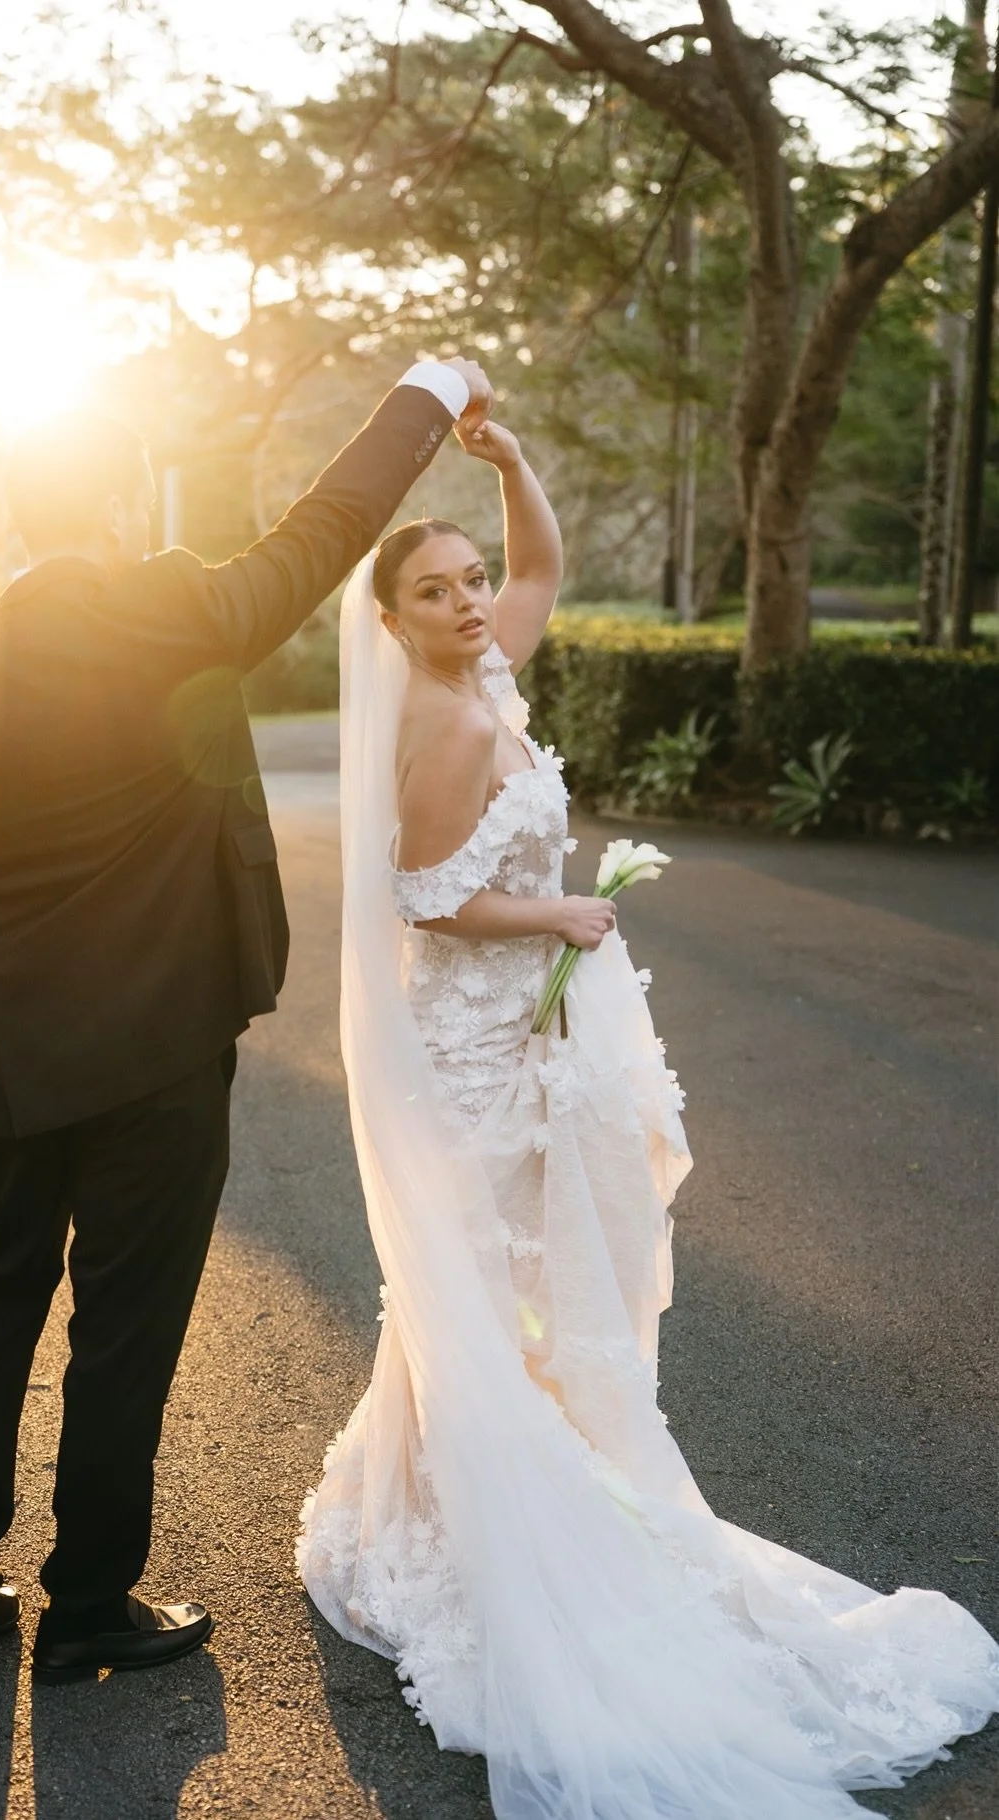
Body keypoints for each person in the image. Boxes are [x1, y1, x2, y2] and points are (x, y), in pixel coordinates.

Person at [297, 416, 999, 1817]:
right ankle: (479, 1529)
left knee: (515, 1289)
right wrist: (558, 909)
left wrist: (505, 464)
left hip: (524, 1029)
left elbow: (544, 563)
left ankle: (469, 1494)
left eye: (472, 577)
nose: (472, 599)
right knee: (485, 1290)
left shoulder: (490, 664)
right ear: (389, 618)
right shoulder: (436, 719)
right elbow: (426, 897)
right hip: (473, 1051)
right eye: (435, 589)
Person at [0, 354, 492, 1682]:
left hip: (2, 1054)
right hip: (160, 1050)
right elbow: (329, 525)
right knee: (123, 1329)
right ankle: (87, 1601)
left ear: (19, 514)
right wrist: (426, 393)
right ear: (131, 504)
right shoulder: (184, 609)